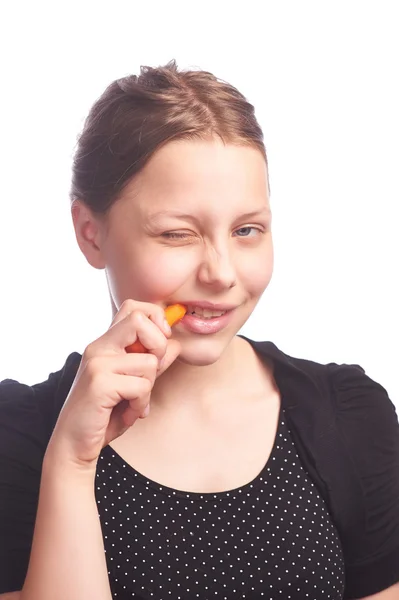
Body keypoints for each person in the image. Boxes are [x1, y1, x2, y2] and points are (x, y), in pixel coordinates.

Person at [0, 60, 398, 600]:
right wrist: (70, 463)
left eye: (247, 230)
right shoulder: (19, 437)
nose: (222, 273)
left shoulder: (351, 414)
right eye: (177, 234)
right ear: (91, 234)